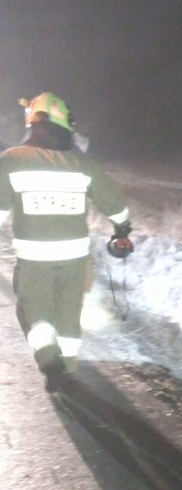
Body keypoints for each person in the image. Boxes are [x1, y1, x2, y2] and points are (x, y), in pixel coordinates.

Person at [0, 93, 132, 392]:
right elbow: (115, 203)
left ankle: (51, 364)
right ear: (64, 125)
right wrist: (123, 229)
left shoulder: (11, 161)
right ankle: (68, 372)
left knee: (35, 313)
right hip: (75, 260)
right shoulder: (82, 164)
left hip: (35, 261)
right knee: (68, 315)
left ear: (34, 123)